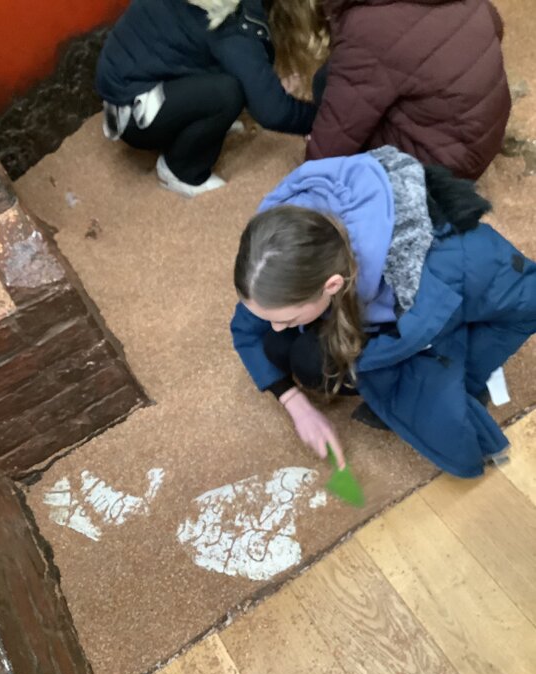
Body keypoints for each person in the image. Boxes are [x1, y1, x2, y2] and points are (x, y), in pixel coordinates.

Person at [230, 147, 536, 478]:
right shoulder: (279, 253)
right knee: (279, 346)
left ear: (332, 285)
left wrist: (467, 373)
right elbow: (246, 329)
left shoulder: (452, 262)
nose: (277, 326)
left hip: (430, 314)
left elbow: (525, 303)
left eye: (286, 319)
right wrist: (294, 402)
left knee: (432, 410)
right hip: (379, 310)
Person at [95, 0, 324, 197]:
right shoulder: (234, 23)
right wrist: (323, 119)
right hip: (134, 111)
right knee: (228, 94)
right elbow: (272, 111)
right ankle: (181, 170)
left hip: (139, 76)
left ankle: (194, 122)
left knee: (237, 78)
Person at [306, 0, 511, 180]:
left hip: (439, 171)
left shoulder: (369, 26)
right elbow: (496, 27)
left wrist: (307, 184)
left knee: (325, 84)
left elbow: (333, 142)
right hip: (483, 137)